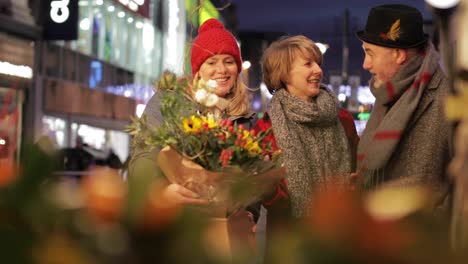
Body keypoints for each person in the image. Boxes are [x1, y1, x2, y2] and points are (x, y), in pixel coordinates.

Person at [128, 18, 259, 255]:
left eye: (229, 61)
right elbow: (143, 157)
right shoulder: (167, 104)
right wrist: (161, 193)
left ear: (237, 68)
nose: (222, 70)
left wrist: (250, 212)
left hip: (227, 234)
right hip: (175, 224)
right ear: (198, 70)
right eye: (212, 62)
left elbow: (254, 174)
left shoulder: (246, 119)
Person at [355, 4, 452, 208]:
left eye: (370, 53)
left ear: (398, 55)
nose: (365, 64)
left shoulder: (447, 98)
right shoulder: (389, 94)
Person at [259, 35, 352, 219]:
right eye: (308, 64)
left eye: (318, 63)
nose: (318, 70)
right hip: (288, 238)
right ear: (283, 73)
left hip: (343, 232)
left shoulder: (343, 119)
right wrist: (268, 188)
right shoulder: (266, 127)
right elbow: (267, 196)